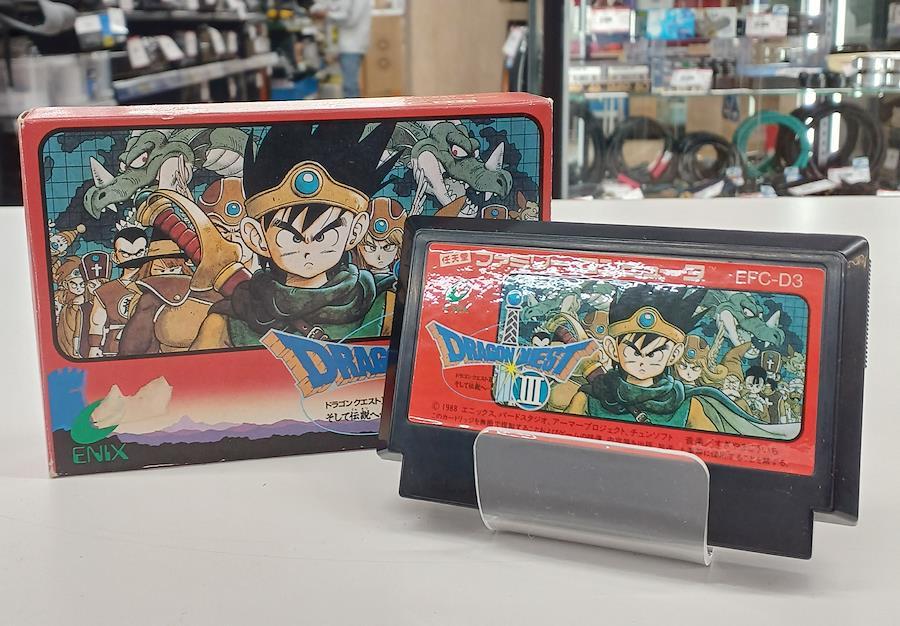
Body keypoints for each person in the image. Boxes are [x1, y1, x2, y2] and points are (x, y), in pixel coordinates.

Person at [312, 0, 372, 98]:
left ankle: (353, 107)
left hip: (352, 47)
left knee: (350, 86)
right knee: (343, 85)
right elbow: (324, 5)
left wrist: (327, 14)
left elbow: (350, 20)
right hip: (340, 46)